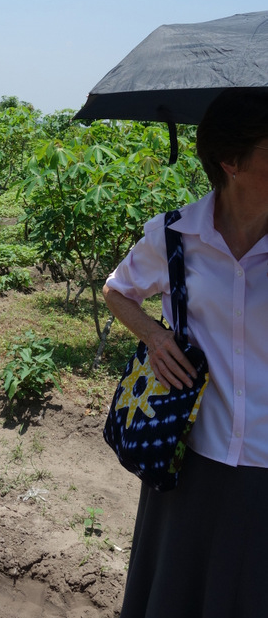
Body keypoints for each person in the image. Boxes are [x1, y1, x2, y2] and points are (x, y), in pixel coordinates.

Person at [103, 88, 268, 617]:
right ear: (231, 162)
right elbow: (117, 291)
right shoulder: (175, 235)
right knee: (178, 591)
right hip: (191, 455)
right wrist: (155, 336)